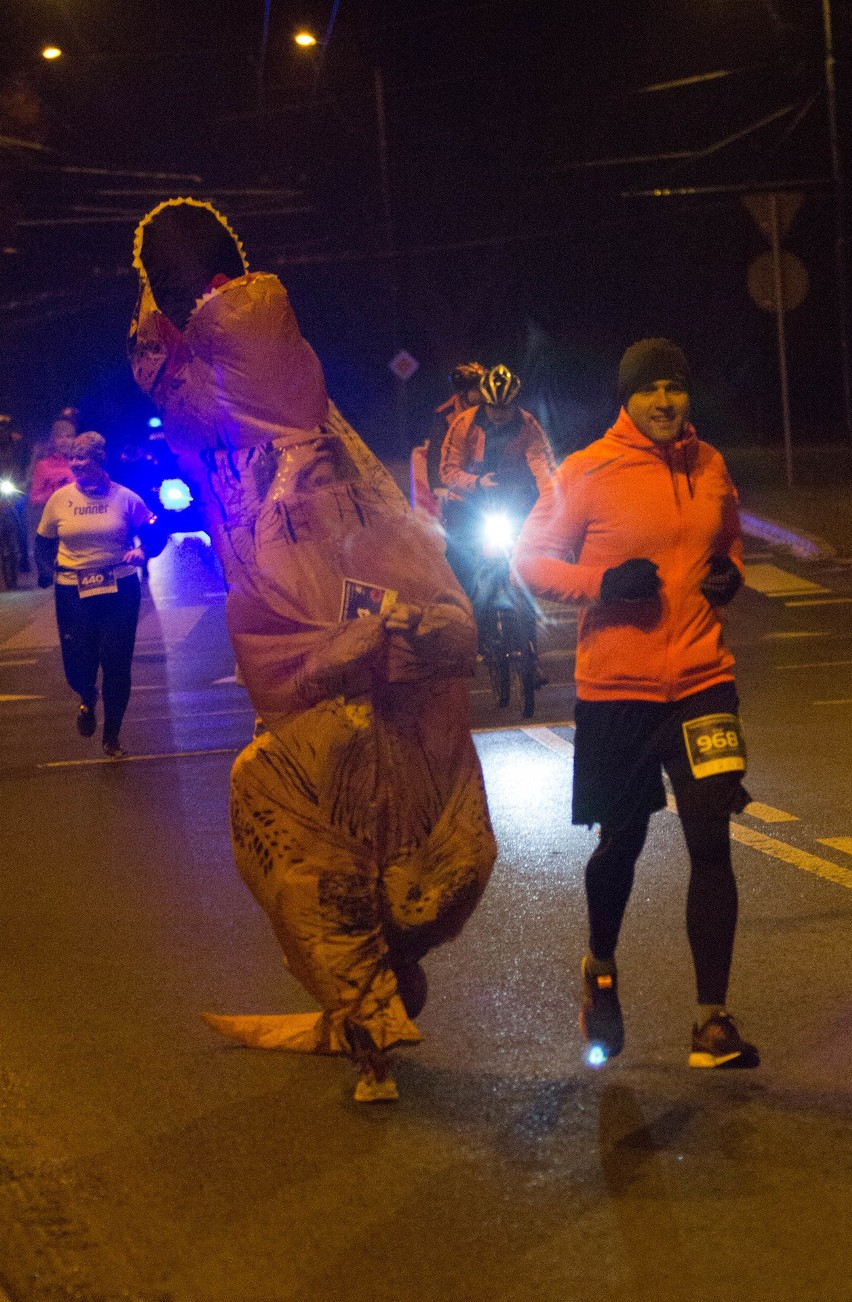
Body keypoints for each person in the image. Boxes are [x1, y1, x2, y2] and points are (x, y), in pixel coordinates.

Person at [128, 197, 496, 1103]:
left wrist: (188, 293)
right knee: (315, 814)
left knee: (331, 818)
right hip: (293, 610)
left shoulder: (240, 348)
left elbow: (239, 332)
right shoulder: (207, 381)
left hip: (312, 604)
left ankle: (366, 1014)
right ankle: (367, 1015)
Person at [514, 338, 759, 1070]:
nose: (663, 401)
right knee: (620, 844)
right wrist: (600, 585)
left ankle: (711, 1020)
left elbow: (732, 539)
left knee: (711, 838)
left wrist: (729, 575)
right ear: (627, 398)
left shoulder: (710, 464)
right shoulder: (585, 471)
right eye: (649, 390)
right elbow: (529, 561)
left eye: (674, 389)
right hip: (617, 690)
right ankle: (602, 969)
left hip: (703, 681)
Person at [34, 431, 159, 758]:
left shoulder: (126, 498)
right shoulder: (59, 500)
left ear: (99, 461)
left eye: (82, 459)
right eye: (72, 459)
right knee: (79, 660)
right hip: (72, 592)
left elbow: (154, 535)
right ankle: (87, 697)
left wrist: (142, 552)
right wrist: (48, 572)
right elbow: (43, 545)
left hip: (119, 589)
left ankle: (112, 736)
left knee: (117, 664)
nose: (75, 465)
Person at [439, 363, 556, 599]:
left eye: (505, 407)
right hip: (470, 503)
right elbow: (448, 471)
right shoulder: (464, 424)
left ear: (515, 403)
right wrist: (477, 482)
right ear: (484, 403)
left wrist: (552, 497)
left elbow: (542, 466)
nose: (499, 414)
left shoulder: (528, 425)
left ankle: (527, 627)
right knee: (460, 568)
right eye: (493, 407)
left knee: (527, 568)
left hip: (511, 502)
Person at [25, 412, 76, 573]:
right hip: (56, 519)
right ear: (53, 440)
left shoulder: (80, 460)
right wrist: (56, 493)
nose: (65, 441)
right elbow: (35, 497)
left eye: (69, 436)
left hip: (79, 516)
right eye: (60, 437)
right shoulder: (44, 465)